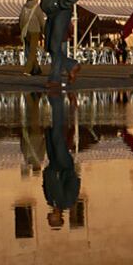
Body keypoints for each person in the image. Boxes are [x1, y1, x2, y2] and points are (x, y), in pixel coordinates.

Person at [40, 0, 81, 90]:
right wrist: (44, 5)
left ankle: (55, 79)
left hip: (61, 13)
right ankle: (71, 65)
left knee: (55, 45)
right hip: (50, 14)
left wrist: (59, 5)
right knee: (50, 47)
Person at [43, 92, 80, 229]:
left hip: (53, 164)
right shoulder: (66, 202)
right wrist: (66, 172)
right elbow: (74, 184)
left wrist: (47, 172)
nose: (49, 216)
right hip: (64, 165)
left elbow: (46, 185)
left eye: (49, 219)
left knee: (51, 136)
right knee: (58, 137)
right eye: (52, 219)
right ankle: (57, 103)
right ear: (59, 218)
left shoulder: (50, 201)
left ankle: (56, 105)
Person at [19, 0, 45, 77]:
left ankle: (37, 69)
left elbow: (21, 19)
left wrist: (22, 30)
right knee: (32, 51)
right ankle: (27, 70)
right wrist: (44, 31)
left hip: (26, 31)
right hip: (35, 31)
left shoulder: (25, 7)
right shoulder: (37, 8)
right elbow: (42, 21)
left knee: (29, 50)